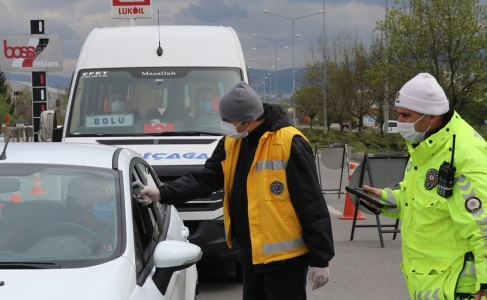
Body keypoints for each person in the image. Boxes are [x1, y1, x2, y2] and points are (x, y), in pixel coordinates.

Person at [135, 81, 334, 300]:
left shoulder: (289, 143)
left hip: (285, 260)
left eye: (226, 120)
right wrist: (162, 193)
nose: (223, 124)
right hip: (250, 255)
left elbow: (311, 203)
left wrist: (320, 259)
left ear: (246, 120)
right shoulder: (232, 141)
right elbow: (206, 178)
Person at [362, 73, 487, 300]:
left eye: (405, 115)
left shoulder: (465, 155)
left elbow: (484, 227)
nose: (399, 121)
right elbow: (423, 200)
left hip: (462, 288)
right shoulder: (425, 147)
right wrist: (387, 199)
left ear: (431, 116)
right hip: (431, 283)